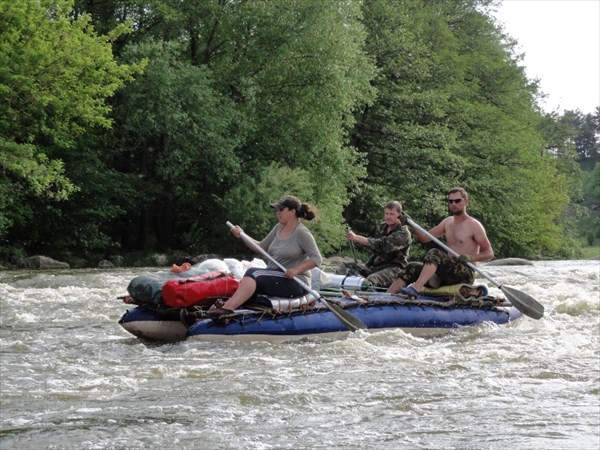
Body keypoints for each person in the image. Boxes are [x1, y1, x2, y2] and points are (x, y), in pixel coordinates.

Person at [208, 195, 322, 319]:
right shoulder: (278, 228)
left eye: (281, 210)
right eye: (276, 210)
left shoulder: (302, 232)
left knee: (254, 273)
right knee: (250, 281)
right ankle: (223, 308)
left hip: (294, 281)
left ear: (292, 211)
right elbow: (261, 247)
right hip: (275, 276)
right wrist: (242, 235)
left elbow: (317, 259)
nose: (277, 213)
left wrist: (296, 270)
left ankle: (227, 308)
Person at [387, 187, 494, 295]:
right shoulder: (447, 222)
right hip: (447, 271)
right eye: (450, 201)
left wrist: (471, 257)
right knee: (412, 267)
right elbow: (425, 238)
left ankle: (415, 288)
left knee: (435, 253)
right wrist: (411, 225)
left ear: (466, 202)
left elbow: (489, 253)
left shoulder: (474, 225)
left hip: (465, 272)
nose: (453, 204)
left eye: (457, 201)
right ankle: (385, 296)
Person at [343, 201, 412, 288]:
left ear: (399, 215)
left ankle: (368, 299)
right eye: (386, 213)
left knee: (371, 280)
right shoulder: (382, 227)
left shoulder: (403, 233)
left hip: (394, 269)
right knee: (346, 267)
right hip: (377, 267)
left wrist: (356, 237)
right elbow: (375, 251)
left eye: (392, 214)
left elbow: (382, 246)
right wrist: (367, 266)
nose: (388, 217)